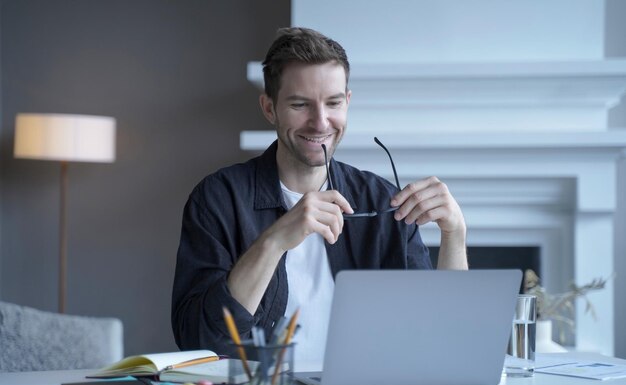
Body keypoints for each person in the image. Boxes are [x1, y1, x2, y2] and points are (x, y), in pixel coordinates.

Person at [172, 27, 467, 364]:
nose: (320, 122)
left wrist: (454, 235)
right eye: (300, 104)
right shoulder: (218, 198)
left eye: (333, 103)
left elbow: (440, 336)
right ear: (269, 108)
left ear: (348, 103)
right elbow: (199, 340)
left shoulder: (382, 200)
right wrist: (273, 242)